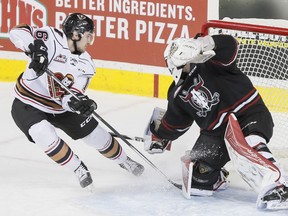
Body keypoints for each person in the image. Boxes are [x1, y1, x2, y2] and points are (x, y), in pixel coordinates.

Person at [144, 34, 288, 209]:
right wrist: (159, 135)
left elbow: (230, 44)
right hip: (217, 136)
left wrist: (201, 44)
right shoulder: (176, 94)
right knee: (197, 180)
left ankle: (281, 185)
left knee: (250, 143)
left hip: (248, 115)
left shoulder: (212, 62)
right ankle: (216, 177)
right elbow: (176, 124)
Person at [9, 13, 144, 189]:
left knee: (97, 136)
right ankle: (77, 168)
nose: (90, 40)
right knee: (42, 133)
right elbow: (16, 31)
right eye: (88, 35)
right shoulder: (50, 36)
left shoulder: (86, 64)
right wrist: (36, 48)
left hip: (60, 107)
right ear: (75, 34)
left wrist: (77, 103)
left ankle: (125, 160)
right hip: (28, 102)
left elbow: (73, 93)